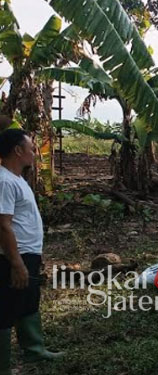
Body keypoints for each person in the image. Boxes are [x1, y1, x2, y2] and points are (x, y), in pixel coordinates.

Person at [0, 129, 63, 375]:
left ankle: (34, 349)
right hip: (13, 257)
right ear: (18, 150)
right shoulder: (4, 181)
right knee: (5, 307)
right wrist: (16, 264)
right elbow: (3, 225)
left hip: (28, 253)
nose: (34, 153)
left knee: (28, 300)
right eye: (31, 148)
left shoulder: (16, 178)